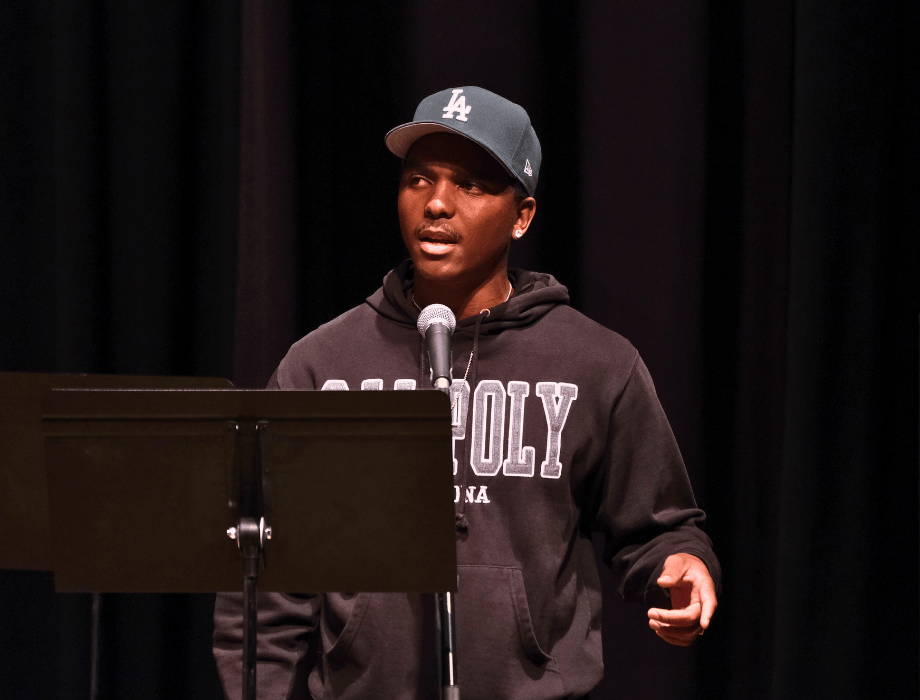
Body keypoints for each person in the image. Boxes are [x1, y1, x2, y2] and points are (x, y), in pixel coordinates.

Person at [214, 86, 720, 700]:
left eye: (471, 187)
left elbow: (659, 527)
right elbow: (266, 569)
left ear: (522, 215)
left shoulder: (595, 363)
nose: (436, 205)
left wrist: (683, 564)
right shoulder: (323, 363)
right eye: (418, 180)